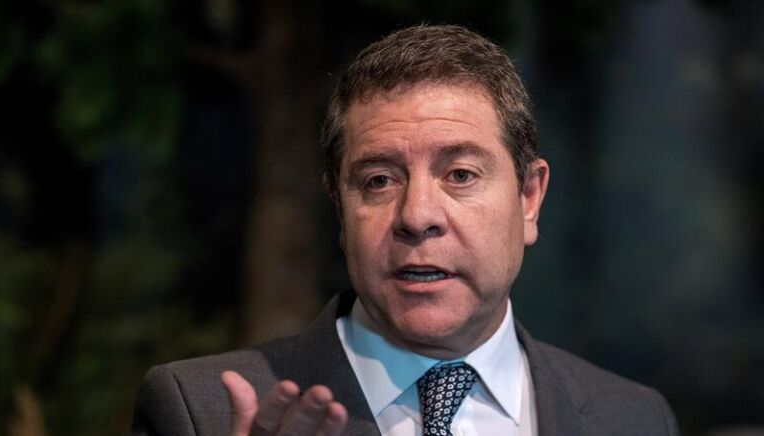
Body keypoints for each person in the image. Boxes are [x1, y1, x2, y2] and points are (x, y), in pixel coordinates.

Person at [130, 24, 680, 436]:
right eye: (379, 181)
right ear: (339, 207)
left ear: (529, 198)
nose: (417, 216)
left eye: (460, 175)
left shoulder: (635, 418)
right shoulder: (196, 411)